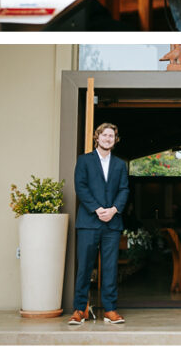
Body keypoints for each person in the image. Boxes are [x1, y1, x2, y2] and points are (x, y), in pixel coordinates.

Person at [69, 123, 129, 325]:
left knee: (110, 268)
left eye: (111, 136)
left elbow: (124, 190)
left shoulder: (121, 164)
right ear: (97, 137)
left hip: (112, 224)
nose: (107, 138)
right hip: (89, 222)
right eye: (104, 135)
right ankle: (80, 310)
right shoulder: (84, 160)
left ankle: (110, 310)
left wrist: (113, 210)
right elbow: (80, 186)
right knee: (85, 267)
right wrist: (97, 209)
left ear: (115, 139)